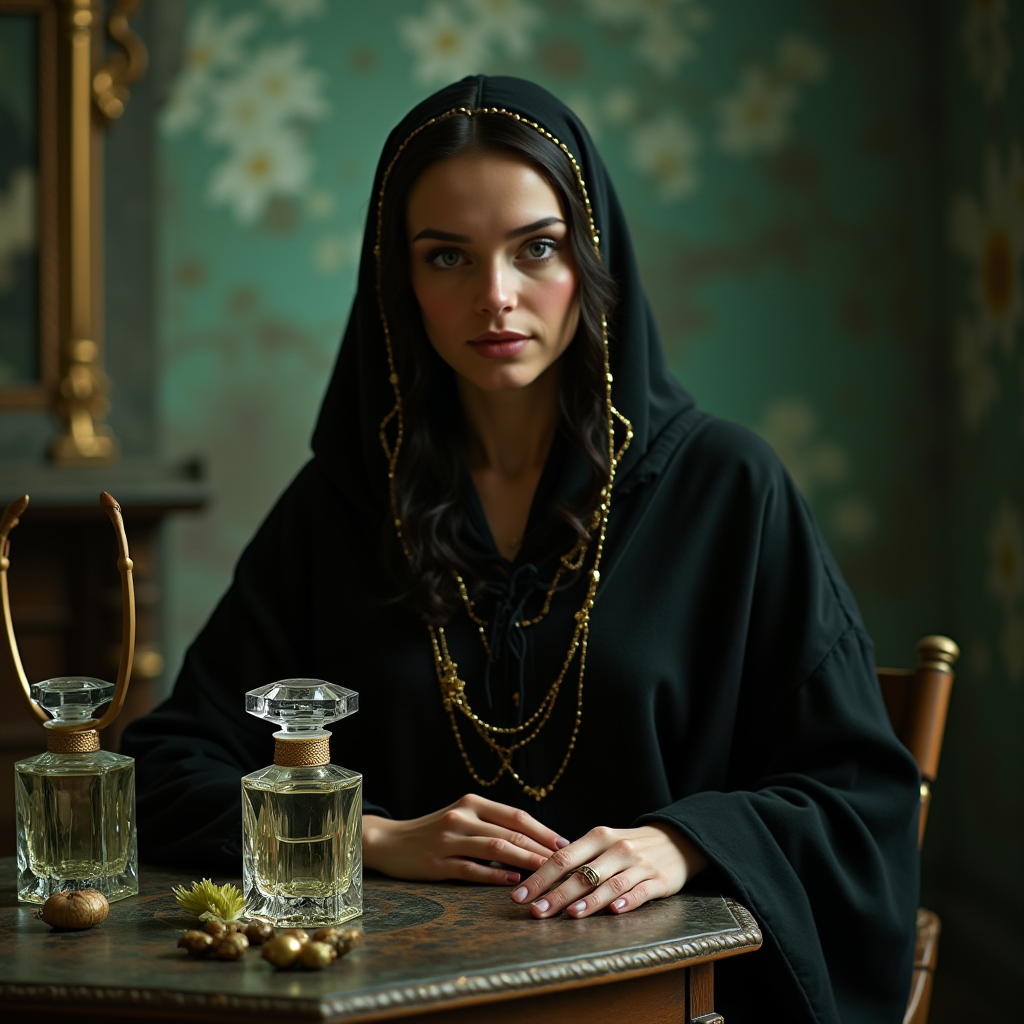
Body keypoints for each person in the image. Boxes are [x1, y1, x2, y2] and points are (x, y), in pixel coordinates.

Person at [122, 76, 920, 1023]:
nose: (495, 298)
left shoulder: (730, 491)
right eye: (447, 257)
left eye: (536, 249)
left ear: (591, 256)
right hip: (401, 1004)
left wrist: (687, 842)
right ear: (398, 282)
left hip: (657, 1003)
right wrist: (365, 835)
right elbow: (165, 770)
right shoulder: (342, 508)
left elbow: (858, 798)